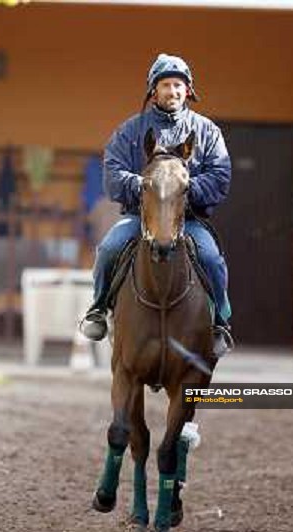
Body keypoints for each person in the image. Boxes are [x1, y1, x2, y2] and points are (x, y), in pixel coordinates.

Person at [81, 53, 234, 357]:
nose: (173, 91)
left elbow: (220, 175)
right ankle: (97, 310)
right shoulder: (129, 131)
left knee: (212, 259)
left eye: (179, 85)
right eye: (166, 84)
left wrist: (185, 188)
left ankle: (220, 322)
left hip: (189, 220)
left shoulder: (207, 131)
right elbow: (112, 173)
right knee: (109, 248)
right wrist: (144, 186)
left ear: (188, 90)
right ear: (154, 90)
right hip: (140, 217)